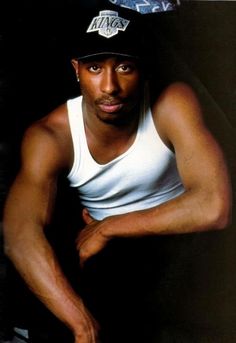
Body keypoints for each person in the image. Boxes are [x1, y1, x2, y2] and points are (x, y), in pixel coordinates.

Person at [2, 3, 232, 343]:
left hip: (185, 243)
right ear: (76, 70)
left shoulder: (172, 103)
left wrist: (111, 227)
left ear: (144, 70)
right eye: (95, 67)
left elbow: (214, 207)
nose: (110, 86)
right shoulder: (51, 134)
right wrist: (82, 325)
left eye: (124, 67)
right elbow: (20, 231)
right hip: (109, 259)